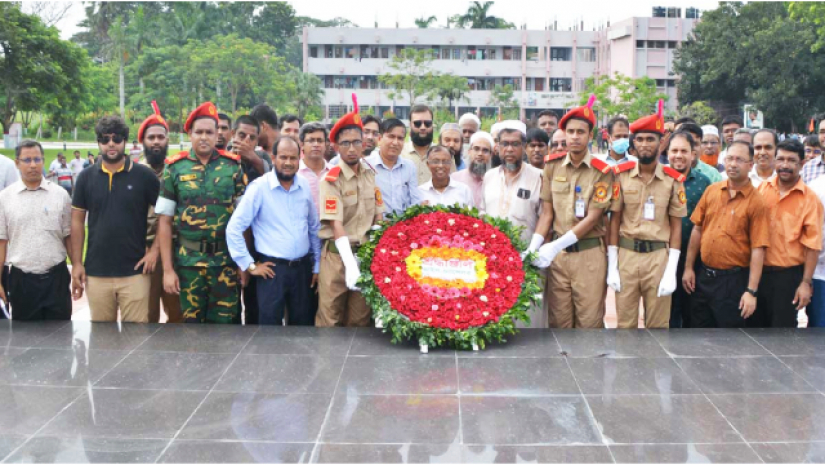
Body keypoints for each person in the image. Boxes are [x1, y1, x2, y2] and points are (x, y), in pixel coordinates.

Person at [155, 102, 247, 324]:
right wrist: (168, 270)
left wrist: (245, 263)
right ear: (190, 134)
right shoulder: (175, 168)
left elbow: (244, 220)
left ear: (218, 135)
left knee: (227, 330)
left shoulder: (233, 167)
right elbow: (164, 222)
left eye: (209, 132)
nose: (204, 137)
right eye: (199, 132)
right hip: (188, 265)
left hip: (225, 263)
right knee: (191, 331)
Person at [531, 96, 614, 329]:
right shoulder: (552, 166)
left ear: (590, 136)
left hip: (588, 256)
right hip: (558, 259)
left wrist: (555, 245)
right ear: (564, 134)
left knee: (589, 322)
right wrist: (533, 247)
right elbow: (547, 213)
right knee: (559, 322)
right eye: (570, 131)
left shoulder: (603, 171)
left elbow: (594, 217)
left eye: (581, 132)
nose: (575, 136)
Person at [71, 116, 160, 322]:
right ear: (98, 143)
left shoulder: (145, 176)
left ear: (125, 141)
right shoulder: (85, 177)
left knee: (135, 340)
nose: (111, 143)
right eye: (105, 139)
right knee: (102, 342)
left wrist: (154, 251)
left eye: (117, 138)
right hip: (96, 271)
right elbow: (77, 222)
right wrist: (76, 263)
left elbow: (166, 216)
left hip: (135, 272)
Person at [607, 101, 687, 329]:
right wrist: (613, 263)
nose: (644, 144)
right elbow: (614, 221)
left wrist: (672, 268)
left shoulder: (673, 179)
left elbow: (676, 226)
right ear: (633, 143)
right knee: (625, 327)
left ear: (661, 143)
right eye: (639, 139)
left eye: (650, 139)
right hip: (627, 255)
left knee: (658, 327)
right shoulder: (620, 176)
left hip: (658, 258)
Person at [227, 136, 321, 325]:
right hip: (271, 272)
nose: (288, 163)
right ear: (274, 158)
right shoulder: (259, 188)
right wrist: (250, 265)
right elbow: (234, 229)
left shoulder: (303, 185)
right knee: (270, 330)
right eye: (283, 157)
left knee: (303, 327)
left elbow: (313, 227)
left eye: (293, 158)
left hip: (302, 271)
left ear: (299, 159)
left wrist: (317, 264)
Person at [682, 141, 769, 328]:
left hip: (733, 281)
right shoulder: (712, 190)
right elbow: (697, 229)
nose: (733, 164)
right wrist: (689, 268)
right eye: (729, 158)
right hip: (703, 277)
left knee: (729, 341)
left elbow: (758, 248)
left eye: (739, 159)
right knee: (698, 333)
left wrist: (751, 291)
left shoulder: (757, 202)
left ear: (750, 165)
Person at [316, 95, 382, 327]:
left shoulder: (370, 173)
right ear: (335, 146)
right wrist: (350, 264)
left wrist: (374, 250)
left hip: (363, 255)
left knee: (360, 319)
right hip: (336, 256)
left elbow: (378, 215)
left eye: (357, 142)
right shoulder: (331, 179)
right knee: (330, 318)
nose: (352, 148)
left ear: (364, 143)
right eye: (346, 143)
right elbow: (335, 224)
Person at [0, 140, 77, 320]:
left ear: (43, 161)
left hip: (56, 278)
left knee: (61, 337)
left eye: (37, 159)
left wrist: (77, 268)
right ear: (17, 163)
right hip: (22, 280)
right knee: (24, 340)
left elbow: (69, 237)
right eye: (27, 160)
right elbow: (1, 242)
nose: (33, 165)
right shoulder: (5, 198)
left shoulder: (60, 195)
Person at [479, 121, 544, 327]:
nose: (509, 149)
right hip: (493, 263)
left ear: (524, 147)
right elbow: (482, 215)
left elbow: (547, 218)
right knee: (495, 320)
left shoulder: (539, 177)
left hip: (528, 260)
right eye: (504, 143)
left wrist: (534, 252)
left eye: (515, 144)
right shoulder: (489, 177)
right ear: (497, 147)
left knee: (529, 322)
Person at [755, 138, 824, 328]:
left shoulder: (810, 200)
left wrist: (805, 283)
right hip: (757, 274)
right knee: (753, 333)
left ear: (802, 164)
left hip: (787, 278)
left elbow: (812, 245)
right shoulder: (762, 189)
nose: (785, 165)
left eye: (792, 161)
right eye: (781, 159)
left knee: (781, 336)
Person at [138, 103, 183, 324]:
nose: (156, 141)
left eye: (161, 137)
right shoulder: (133, 173)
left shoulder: (177, 171)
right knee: (147, 314)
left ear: (168, 140)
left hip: (176, 249)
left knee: (178, 312)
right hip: (142, 251)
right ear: (142, 141)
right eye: (151, 137)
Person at [665, 131, 712, 328]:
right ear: (667, 153)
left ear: (693, 154)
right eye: (674, 150)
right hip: (664, 257)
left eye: (684, 151)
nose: (678, 155)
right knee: (667, 311)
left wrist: (691, 265)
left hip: (694, 259)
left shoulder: (704, 183)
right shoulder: (659, 179)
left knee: (692, 311)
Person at [365, 118, 421, 217]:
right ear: (379, 139)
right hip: (375, 226)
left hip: (404, 226)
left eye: (400, 138)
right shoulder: (366, 165)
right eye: (391, 136)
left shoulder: (409, 166)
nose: (395, 142)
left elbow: (415, 200)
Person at [403, 104, 444, 184]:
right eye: (417, 123)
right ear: (410, 125)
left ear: (432, 125)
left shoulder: (443, 154)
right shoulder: (399, 153)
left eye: (427, 123)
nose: (423, 127)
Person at [451, 131, 493, 207]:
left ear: (491, 155)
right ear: (469, 152)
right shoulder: (454, 178)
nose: (480, 153)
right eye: (476, 149)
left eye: (485, 150)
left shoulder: (496, 180)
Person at [298, 122, 331, 210]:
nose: (316, 144)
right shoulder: (295, 173)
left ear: (326, 144)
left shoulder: (335, 171)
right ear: (302, 145)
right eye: (311, 140)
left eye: (320, 141)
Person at [231, 115, 270, 184]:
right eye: (242, 135)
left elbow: (271, 178)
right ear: (233, 134)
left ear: (257, 140)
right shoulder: (222, 157)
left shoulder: (262, 156)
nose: (246, 141)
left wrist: (252, 157)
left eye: (252, 138)